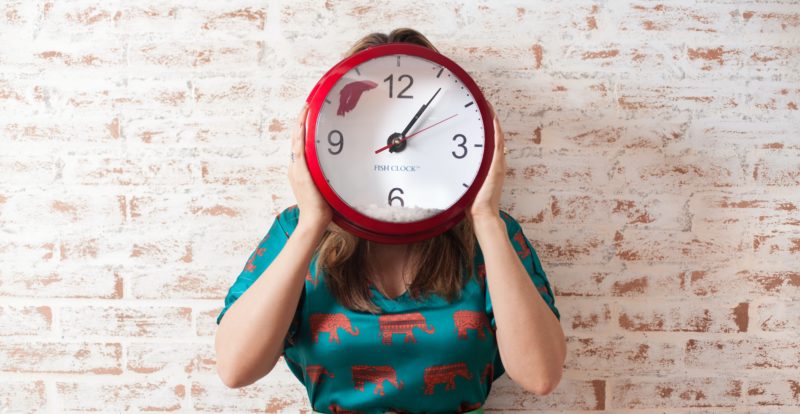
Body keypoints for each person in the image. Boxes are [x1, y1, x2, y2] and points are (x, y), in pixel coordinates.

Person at [214, 28, 566, 414]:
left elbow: (541, 376)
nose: (395, 141)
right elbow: (235, 368)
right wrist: (313, 222)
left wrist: (484, 216)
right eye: (373, 125)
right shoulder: (296, 230)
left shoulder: (490, 234)